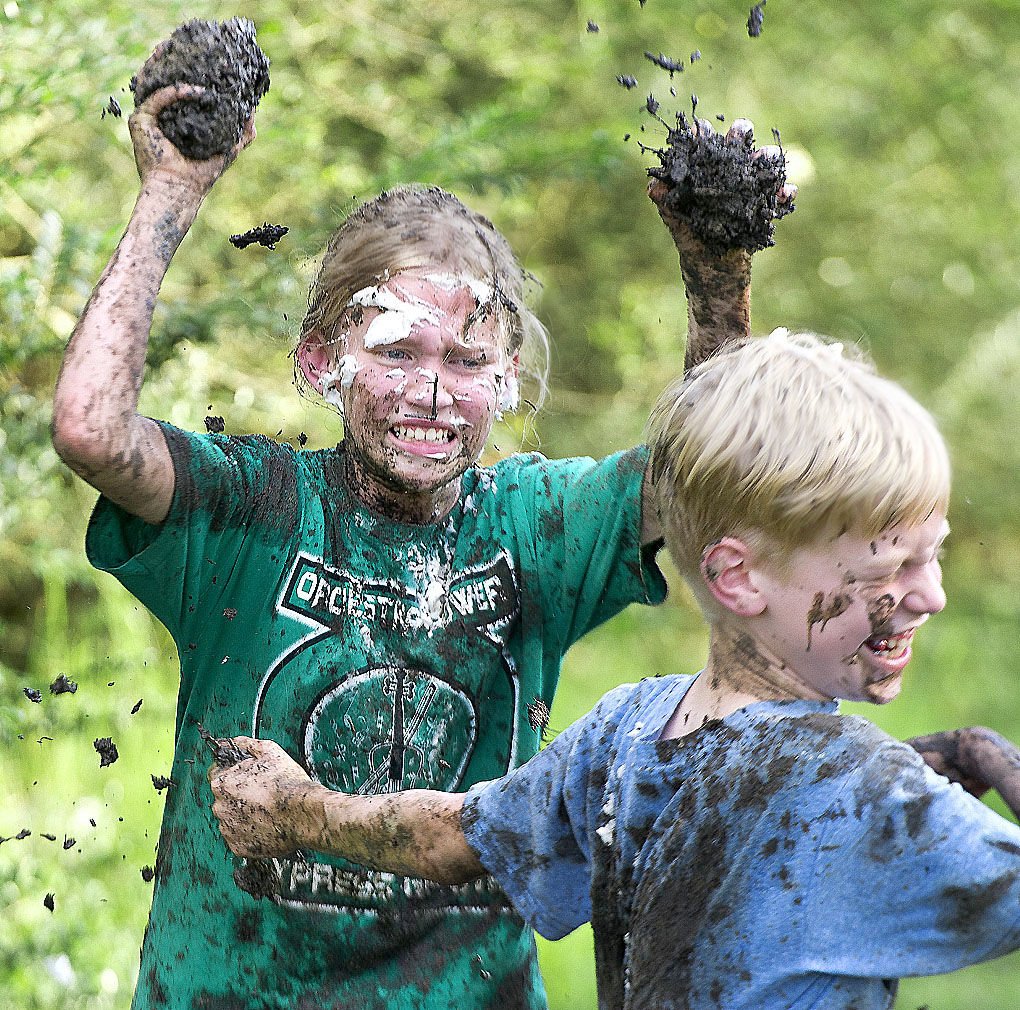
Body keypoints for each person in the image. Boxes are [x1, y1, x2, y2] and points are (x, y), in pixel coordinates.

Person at [50, 39, 795, 1010]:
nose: (432, 393)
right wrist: (172, 192)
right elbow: (91, 428)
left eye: (468, 358)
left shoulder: (538, 527)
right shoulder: (246, 510)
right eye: (397, 351)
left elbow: (713, 469)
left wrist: (716, 277)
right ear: (322, 362)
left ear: (509, 378)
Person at [211, 329, 1020, 1010]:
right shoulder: (865, 791)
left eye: (934, 556)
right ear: (738, 577)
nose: (932, 596)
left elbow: (453, 835)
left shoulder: (633, 728)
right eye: (892, 570)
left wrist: (298, 812)